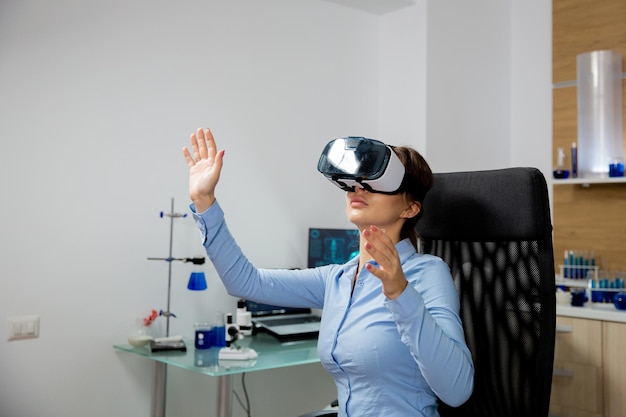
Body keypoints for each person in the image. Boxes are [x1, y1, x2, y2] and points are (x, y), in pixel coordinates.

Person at [183, 128, 474, 417]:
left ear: (410, 209)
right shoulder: (338, 279)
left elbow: (457, 390)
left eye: (377, 181)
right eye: (355, 181)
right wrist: (204, 202)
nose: (358, 189)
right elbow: (246, 282)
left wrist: (401, 294)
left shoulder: (427, 274)